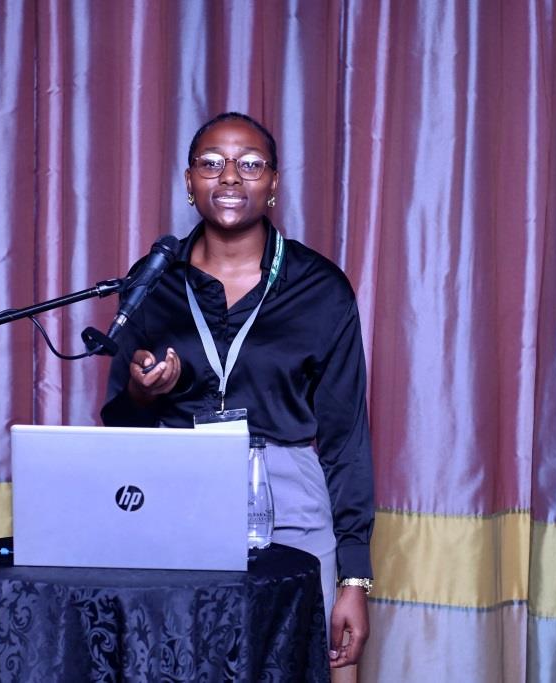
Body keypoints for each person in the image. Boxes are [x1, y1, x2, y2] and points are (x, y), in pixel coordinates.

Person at [101, 112, 374, 669]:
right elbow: (121, 425)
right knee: (177, 663)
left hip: (289, 501)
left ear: (273, 183)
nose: (229, 176)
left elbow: (346, 438)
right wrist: (145, 393)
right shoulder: (152, 280)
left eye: (250, 164)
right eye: (211, 163)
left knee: (298, 665)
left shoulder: (320, 287)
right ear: (189, 181)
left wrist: (354, 577)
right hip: (173, 493)